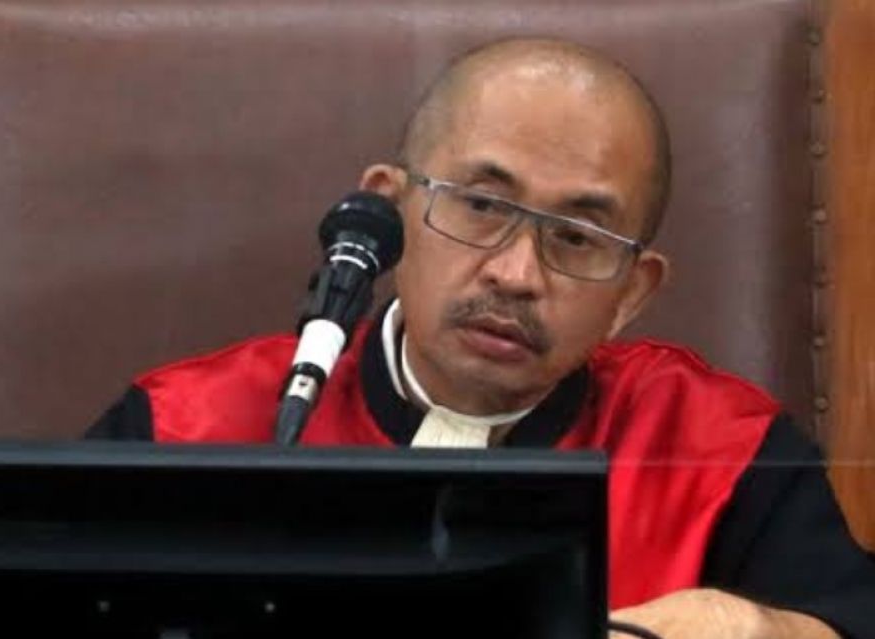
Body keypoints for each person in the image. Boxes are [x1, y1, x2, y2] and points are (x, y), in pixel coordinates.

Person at [88, 38, 875, 638]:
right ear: (390, 214)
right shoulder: (184, 426)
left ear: (631, 294)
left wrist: (762, 627)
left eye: (576, 237)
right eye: (482, 206)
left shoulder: (724, 454)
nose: (516, 273)